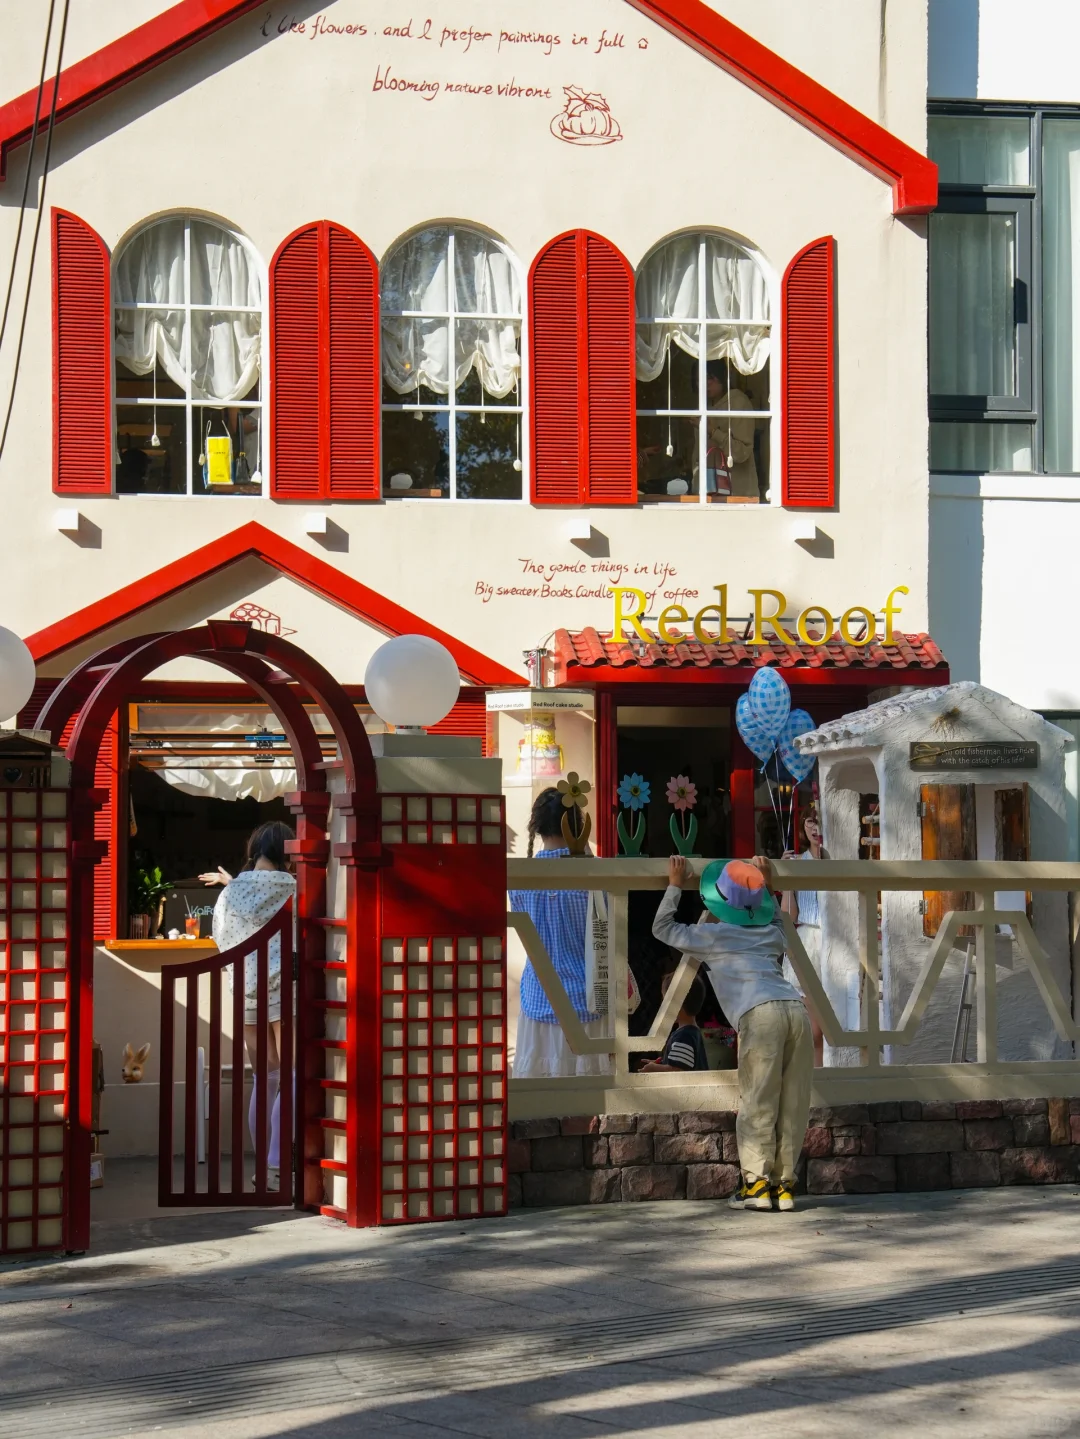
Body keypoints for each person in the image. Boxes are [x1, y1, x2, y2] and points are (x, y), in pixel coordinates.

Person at [653, 854, 812, 1212]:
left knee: (758, 1099)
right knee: (794, 1101)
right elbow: (777, 918)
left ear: (718, 903)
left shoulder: (714, 935)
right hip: (795, 1010)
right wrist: (767, 884)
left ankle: (756, 1186)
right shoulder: (771, 933)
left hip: (761, 1013)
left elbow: (662, 927)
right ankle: (784, 1187)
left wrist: (675, 885)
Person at [201, 821, 296, 1191]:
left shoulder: (230, 893)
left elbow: (221, 939)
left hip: (246, 988)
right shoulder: (291, 886)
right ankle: (277, 1166)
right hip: (284, 987)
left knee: (264, 1078)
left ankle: (263, 1166)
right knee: (290, 1076)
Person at [508, 788, 612, 1079]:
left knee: (541, 1094)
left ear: (536, 825)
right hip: (588, 1002)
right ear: (578, 825)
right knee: (592, 1093)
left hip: (539, 999)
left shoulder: (520, 877)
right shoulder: (596, 875)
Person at [781, 802, 826, 1066]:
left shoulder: (837, 860)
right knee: (814, 1032)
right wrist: (787, 879)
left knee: (838, 1023)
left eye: (819, 821)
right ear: (803, 826)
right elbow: (790, 916)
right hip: (809, 941)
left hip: (836, 942)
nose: (815, 827)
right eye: (810, 821)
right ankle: (816, 1080)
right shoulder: (799, 862)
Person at [640, 970, 710, 1072]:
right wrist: (661, 1063)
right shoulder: (692, 1032)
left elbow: (677, 1070)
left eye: (665, 1000)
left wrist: (654, 1069)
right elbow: (680, 1063)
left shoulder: (684, 1036)